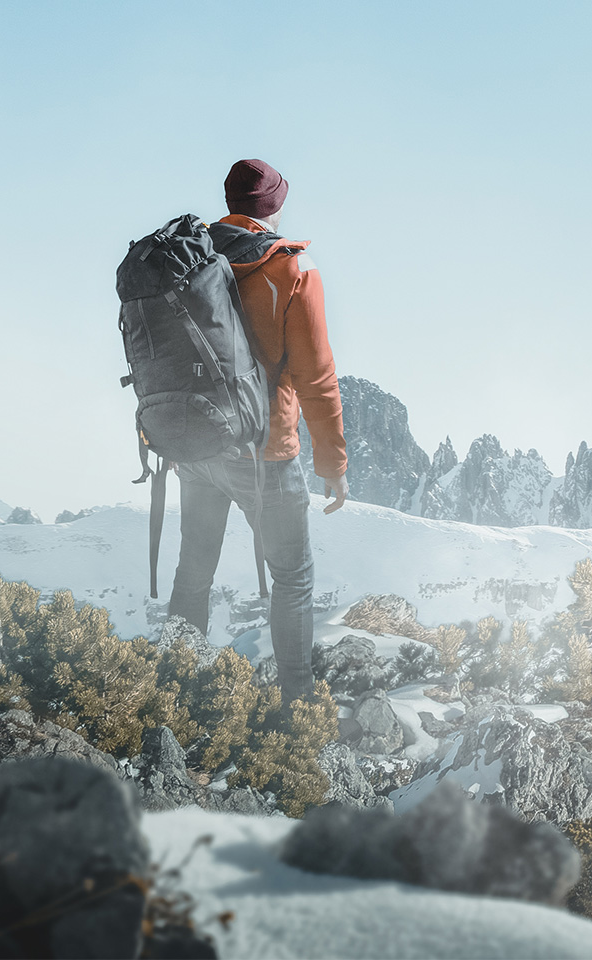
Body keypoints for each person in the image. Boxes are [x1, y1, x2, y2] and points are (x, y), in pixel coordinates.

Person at [166, 158, 348, 704]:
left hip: (197, 444)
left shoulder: (191, 257)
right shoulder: (292, 269)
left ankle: (176, 692)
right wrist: (333, 463)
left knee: (193, 569)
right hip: (262, 451)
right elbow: (316, 376)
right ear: (275, 206)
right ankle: (298, 715)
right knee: (292, 577)